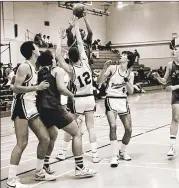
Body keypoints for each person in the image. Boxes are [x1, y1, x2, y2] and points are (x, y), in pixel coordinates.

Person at [36, 50, 97, 178]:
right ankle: (80, 167)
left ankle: (44, 165)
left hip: (42, 109)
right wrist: (72, 95)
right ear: (52, 60)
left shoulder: (40, 72)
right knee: (77, 133)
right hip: (54, 107)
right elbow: (61, 89)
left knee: (52, 135)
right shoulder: (57, 70)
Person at [7, 41, 56, 188]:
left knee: (45, 138)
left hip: (31, 107)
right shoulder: (24, 66)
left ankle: (39, 172)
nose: (38, 48)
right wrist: (38, 87)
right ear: (33, 51)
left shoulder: (34, 67)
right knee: (22, 143)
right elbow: (16, 88)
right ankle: (11, 180)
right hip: (20, 107)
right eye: (36, 46)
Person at [57, 19, 100, 163]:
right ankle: (95, 154)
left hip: (78, 100)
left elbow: (57, 56)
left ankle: (63, 151)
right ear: (81, 55)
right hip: (90, 98)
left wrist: (60, 39)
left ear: (69, 57)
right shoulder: (86, 63)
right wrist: (77, 26)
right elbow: (81, 43)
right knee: (91, 127)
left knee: (72, 126)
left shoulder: (70, 70)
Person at [153, 44, 179, 157]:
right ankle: (172, 146)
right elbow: (164, 81)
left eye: (175, 49)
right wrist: (158, 77)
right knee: (175, 118)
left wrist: (175, 87)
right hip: (176, 95)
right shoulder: (170, 64)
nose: (173, 51)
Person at [97, 52, 136, 167]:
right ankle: (114, 156)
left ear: (128, 60)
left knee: (129, 130)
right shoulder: (112, 68)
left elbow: (131, 92)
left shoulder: (130, 73)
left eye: (123, 55)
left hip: (122, 101)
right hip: (111, 99)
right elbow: (99, 81)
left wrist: (127, 80)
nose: (121, 56)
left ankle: (122, 152)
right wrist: (104, 68)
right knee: (113, 126)